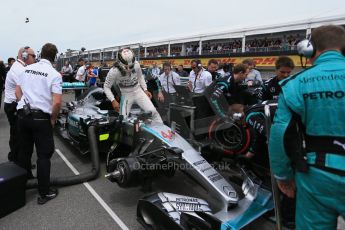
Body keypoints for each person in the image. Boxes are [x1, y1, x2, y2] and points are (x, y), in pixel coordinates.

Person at [269, 25, 345, 229]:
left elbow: (279, 134)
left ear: (309, 50)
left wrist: (283, 176)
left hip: (316, 173)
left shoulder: (295, 84)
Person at [15, 43, 62, 204]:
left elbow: (17, 92)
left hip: (22, 115)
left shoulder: (26, 69)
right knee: (43, 156)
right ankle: (44, 193)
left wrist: (24, 104)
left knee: (24, 152)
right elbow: (56, 103)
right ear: (55, 57)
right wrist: (53, 119)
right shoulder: (54, 74)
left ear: (41, 54)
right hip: (41, 119)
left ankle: (21, 185)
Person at [103, 48, 163, 123]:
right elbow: (106, 87)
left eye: (131, 66)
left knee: (153, 111)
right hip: (126, 95)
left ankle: (161, 127)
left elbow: (140, 76)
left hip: (138, 91)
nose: (129, 68)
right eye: (126, 66)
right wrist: (113, 100)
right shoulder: (113, 71)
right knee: (122, 119)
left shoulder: (137, 64)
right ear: (119, 63)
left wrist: (145, 89)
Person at [4, 46, 36, 162]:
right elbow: (20, 92)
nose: (35, 58)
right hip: (13, 105)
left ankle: (16, 160)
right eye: (33, 56)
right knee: (18, 136)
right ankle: (16, 162)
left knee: (17, 135)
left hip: (12, 104)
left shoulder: (20, 67)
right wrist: (27, 110)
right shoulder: (19, 69)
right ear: (25, 56)